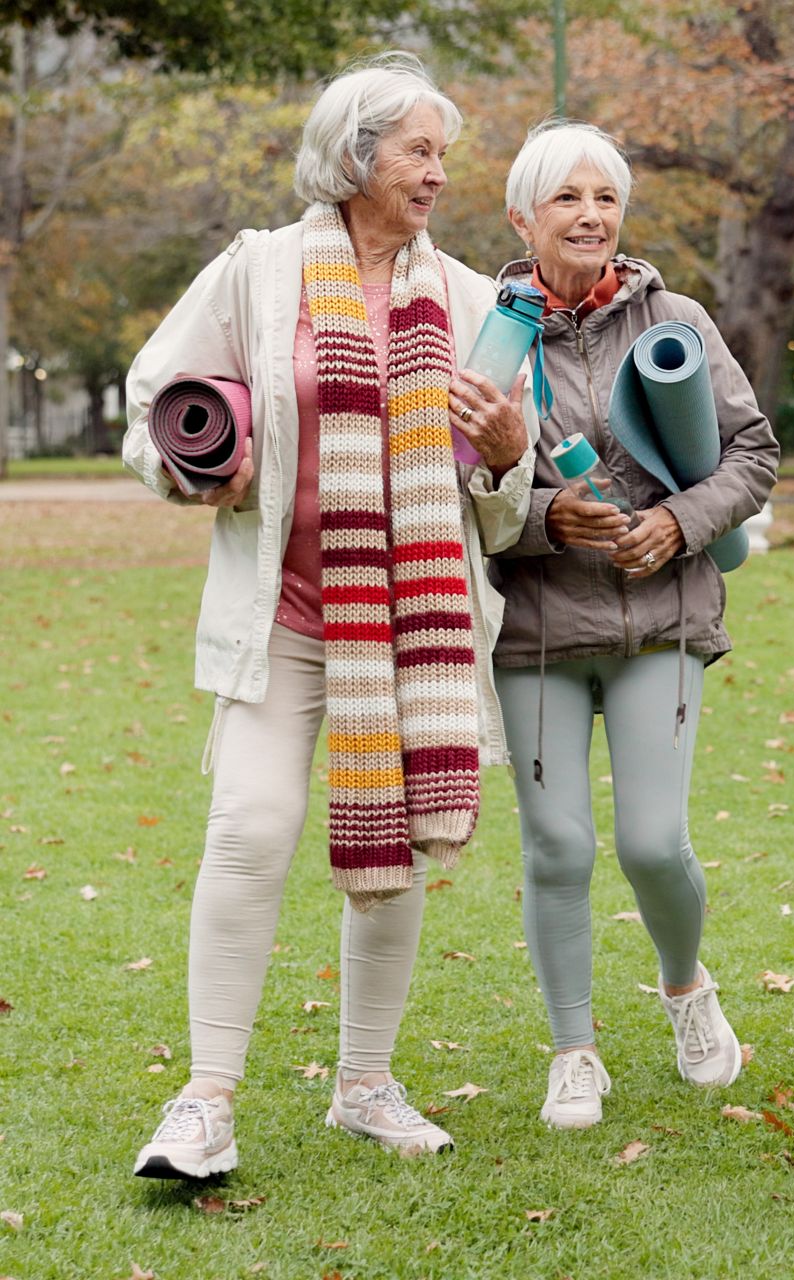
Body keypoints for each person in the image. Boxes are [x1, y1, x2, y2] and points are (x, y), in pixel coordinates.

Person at [122, 52, 537, 1178]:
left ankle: (364, 1082)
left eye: (442, 153)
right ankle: (206, 1098)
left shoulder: (462, 298)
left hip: (414, 630)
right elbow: (151, 403)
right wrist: (203, 468)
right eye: (418, 151)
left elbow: (504, 488)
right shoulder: (258, 273)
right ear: (355, 158)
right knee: (250, 825)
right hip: (281, 618)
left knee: (390, 849)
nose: (437, 173)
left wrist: (504, 456)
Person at [475, 121, 778, 1129]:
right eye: (566, 198)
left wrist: (677, 521)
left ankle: (687, 990)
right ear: (522, 216)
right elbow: (444, 479)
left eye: (604, 197)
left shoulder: (674, 317)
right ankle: (573, 1048)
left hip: (662, 615)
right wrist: (538, 516)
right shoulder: (485, 333)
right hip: (535, 627)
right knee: (555, 846)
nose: (590, 215)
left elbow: (752, 452)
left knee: (652, 841)